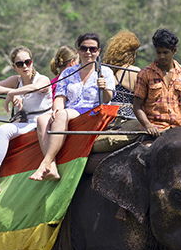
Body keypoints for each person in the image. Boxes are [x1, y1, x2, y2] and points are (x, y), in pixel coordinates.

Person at [29, 33, 116, 181]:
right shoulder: (69, 72)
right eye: (84, 48)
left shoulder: (105, 71)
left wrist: (104, 87)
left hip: (93, 110)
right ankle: (53, 167)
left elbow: (108, 98)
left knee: (62, 115)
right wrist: (56, 109)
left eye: (92, 49)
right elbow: (60, 96)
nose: (88, 52)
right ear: (78, 50)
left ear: (98, 51)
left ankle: (45, 163)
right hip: (72, 109)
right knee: (42, 119)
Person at [0, 46, 52, 194]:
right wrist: (11, 92)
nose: (25, 66)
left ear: (32, 62)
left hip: (39, 122)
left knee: (4, 129)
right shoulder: (17, 80)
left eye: (28, 61)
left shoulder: (42, 78)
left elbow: (36, 87)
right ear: (14, 67)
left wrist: (15, 92)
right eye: (20, 64)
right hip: (25, 122)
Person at [132, 28, 181, 137]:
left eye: (165, 52)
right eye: (158, 52)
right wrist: (148, 125)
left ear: (174, 51)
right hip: (155, 130)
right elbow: (137, 106)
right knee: (147, 150)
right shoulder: (145, 74)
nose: (161, 56)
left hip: (177, 129)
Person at [102, 30, 141, 119]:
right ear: (132, 53)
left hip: (106, 115)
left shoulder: (106, 70)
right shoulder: (134, 71)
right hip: (125, 115)